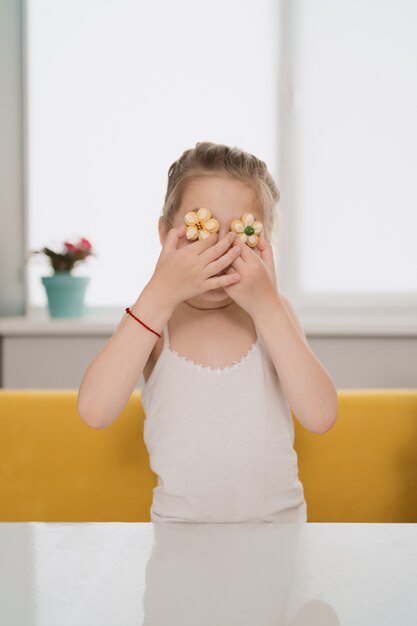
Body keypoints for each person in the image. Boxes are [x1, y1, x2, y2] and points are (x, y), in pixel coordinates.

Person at [78, 141, 338, 523]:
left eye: (242, 230)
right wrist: (158, 292)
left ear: (263, 241)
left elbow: (320, 416)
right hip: (179, 539)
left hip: (276, 537)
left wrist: (267, 305)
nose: (219, 246)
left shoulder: (274, 315)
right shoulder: (153, 320)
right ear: (166, 232)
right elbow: (94, 411)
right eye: (201, 226)